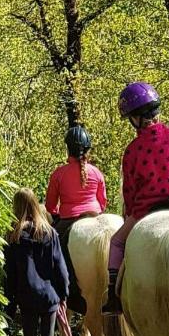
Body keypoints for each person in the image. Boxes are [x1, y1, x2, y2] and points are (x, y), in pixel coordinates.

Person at [102, 82, 169, 315]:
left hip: (148, 210)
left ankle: (112, 300)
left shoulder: (133, 149)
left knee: (116, 242)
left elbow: (130, 191)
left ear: (135, 118)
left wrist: (130, 213)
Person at [4, 188, 70, 336]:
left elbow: (10, 273)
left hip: (26, 295)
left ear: (17, 207)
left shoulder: (13, 235)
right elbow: (60, 266)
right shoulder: (50, 233)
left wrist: (9, 301)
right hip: (49, 295)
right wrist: (64, 292)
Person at [46, 125, 107, 314]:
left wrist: (58, 212)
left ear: (68, 149)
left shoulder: (59, 174)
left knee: (50, 255)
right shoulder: (96, 173)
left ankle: (55, 289)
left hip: (67, 220)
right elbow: (103, 202)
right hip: (96, 215)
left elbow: (49, 205)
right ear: (88, 149)